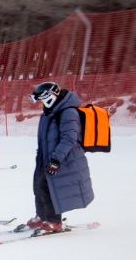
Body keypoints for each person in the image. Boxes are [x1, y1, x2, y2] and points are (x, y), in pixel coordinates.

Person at [21, 82, 95, 235]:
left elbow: (69, 139)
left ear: (50, 97)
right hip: (47, 157)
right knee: (38, 184)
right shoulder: (49, 111)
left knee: (47, 186)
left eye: (41, 100)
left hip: (64, 158)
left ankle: (54, 221)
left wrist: (56, 159)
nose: (40, 104)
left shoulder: (68, 112)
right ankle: (42, 216)